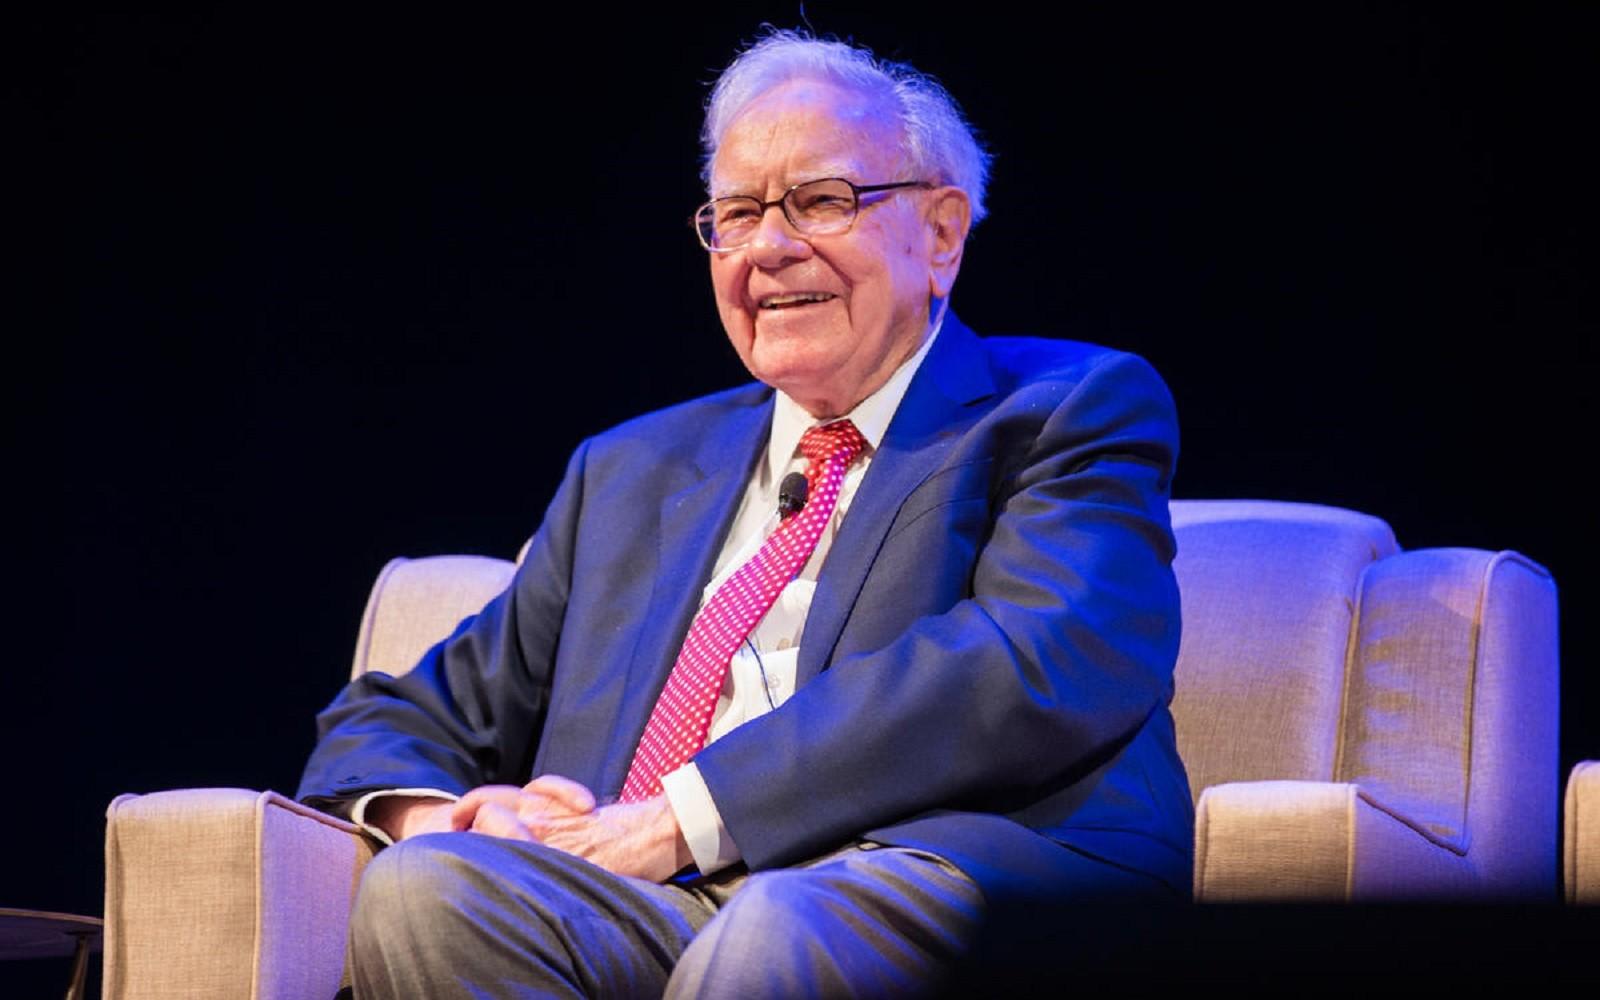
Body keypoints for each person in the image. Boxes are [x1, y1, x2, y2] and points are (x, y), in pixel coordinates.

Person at [298, 27, 1193, 998]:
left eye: (821, 200)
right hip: (653, 900)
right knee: (427, 889)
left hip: (937, 871)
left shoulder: (1066, 409)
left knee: (778, 926)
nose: (768, 247)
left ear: (941, 234)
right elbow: (402, 715)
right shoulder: (629, 471)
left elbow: (1035, 656)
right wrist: (451, 818)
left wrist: (685, 816)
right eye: (736, 213)